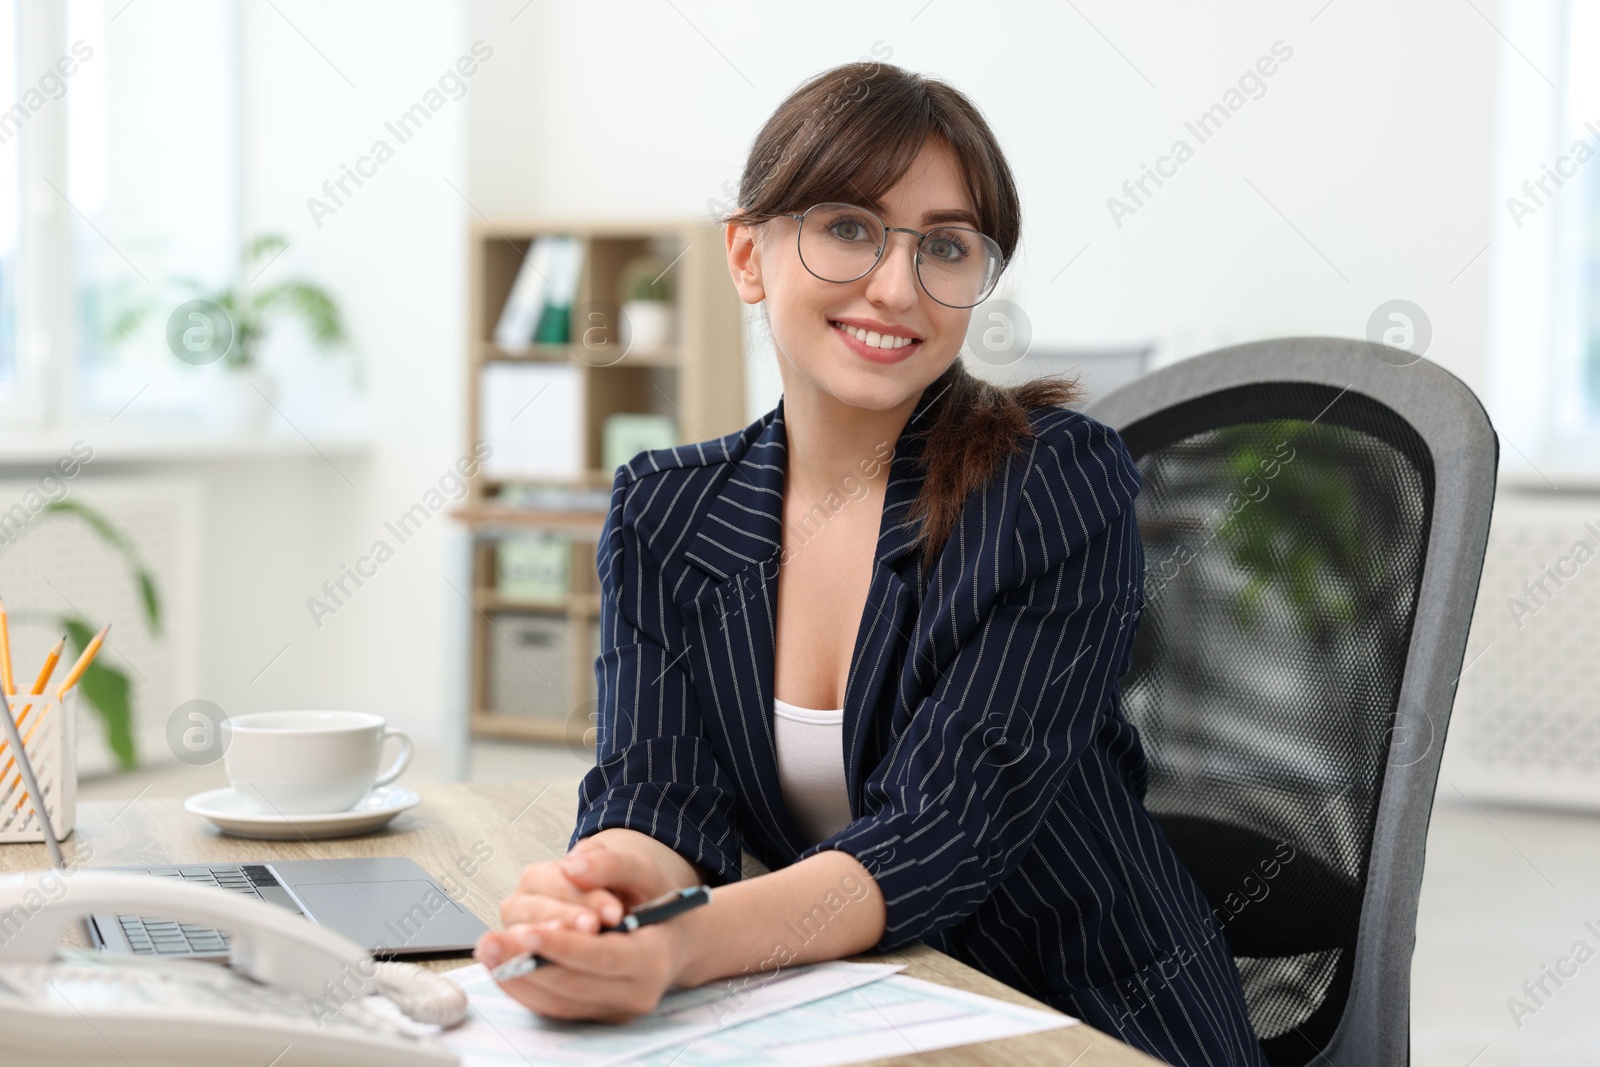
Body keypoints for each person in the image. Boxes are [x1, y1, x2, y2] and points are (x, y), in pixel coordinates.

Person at [475, 60, 1268, 1067]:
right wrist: (605, 888)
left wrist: (682, 945)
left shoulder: (1053, 483)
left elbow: (945, 832)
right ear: (747, 254)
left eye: (943, 245)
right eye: (847, 226)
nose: (896, 287)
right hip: (848, 1007)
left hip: (1082, 1016)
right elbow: (656, 791)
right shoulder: (663, 511)